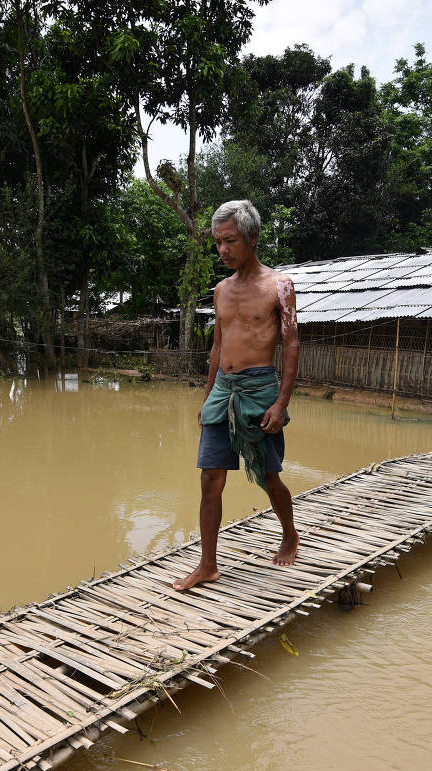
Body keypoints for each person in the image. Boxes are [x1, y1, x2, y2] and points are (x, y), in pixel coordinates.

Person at [173, 200, 299, 592]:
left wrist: (281, 403)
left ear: (252, 237)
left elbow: (291, 344)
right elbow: (218, 346)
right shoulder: (221, 290)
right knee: (210, 478)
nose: (223, 250)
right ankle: (207, 564)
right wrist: (208, 395)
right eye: (217, 243)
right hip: (223, 391)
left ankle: (290, 535)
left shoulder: (280, 286)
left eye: (230, 241)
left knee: (268, 477)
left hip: (259, 389)